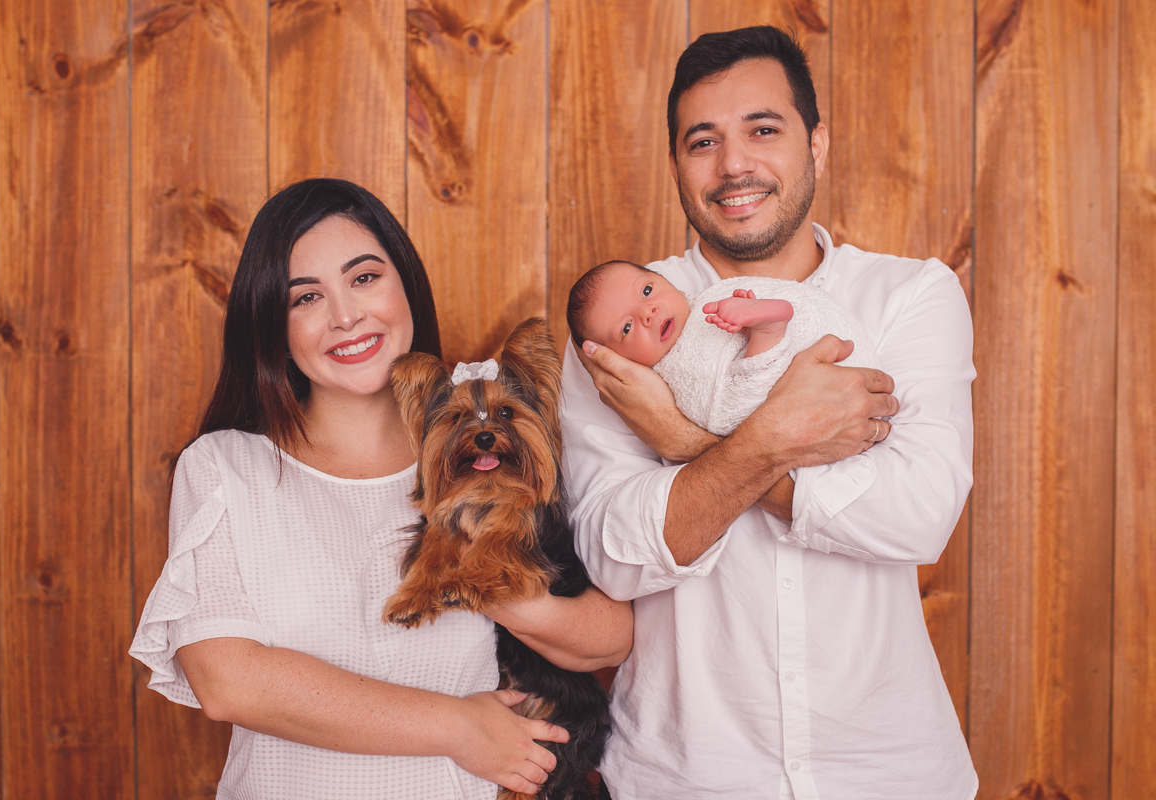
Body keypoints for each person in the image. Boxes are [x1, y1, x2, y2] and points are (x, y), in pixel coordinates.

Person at [560, 26, 977, 800]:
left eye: (763, 130)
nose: (734, 166)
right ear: (677, 164)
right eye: (702, 142)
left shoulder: (909, 297)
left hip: (888, 772)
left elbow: (919, 514)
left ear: (815, 143)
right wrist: (779, 440)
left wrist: (684, 442)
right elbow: (613, 557)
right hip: (683, 776)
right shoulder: (619, 323)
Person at [129, 178, 633, 800]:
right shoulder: (224, 467)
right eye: (306, 297)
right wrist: (457, 726)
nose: (346, 316)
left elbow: (612, 636)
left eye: (364, 278)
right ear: (272, 325)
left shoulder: (503, 455)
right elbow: (229, 681)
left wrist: (480, 581)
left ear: (406, 285)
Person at [565, 259, 878, 435]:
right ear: (614, 359)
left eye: (647, 290)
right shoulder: (659, 380)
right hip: (817, 393)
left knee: (740, 392)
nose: (648, 313)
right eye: (627, 328)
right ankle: (766, 330)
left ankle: (768, 330)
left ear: (668, 281)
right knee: (733, 396)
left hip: (829, 351)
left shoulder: (708, 302)